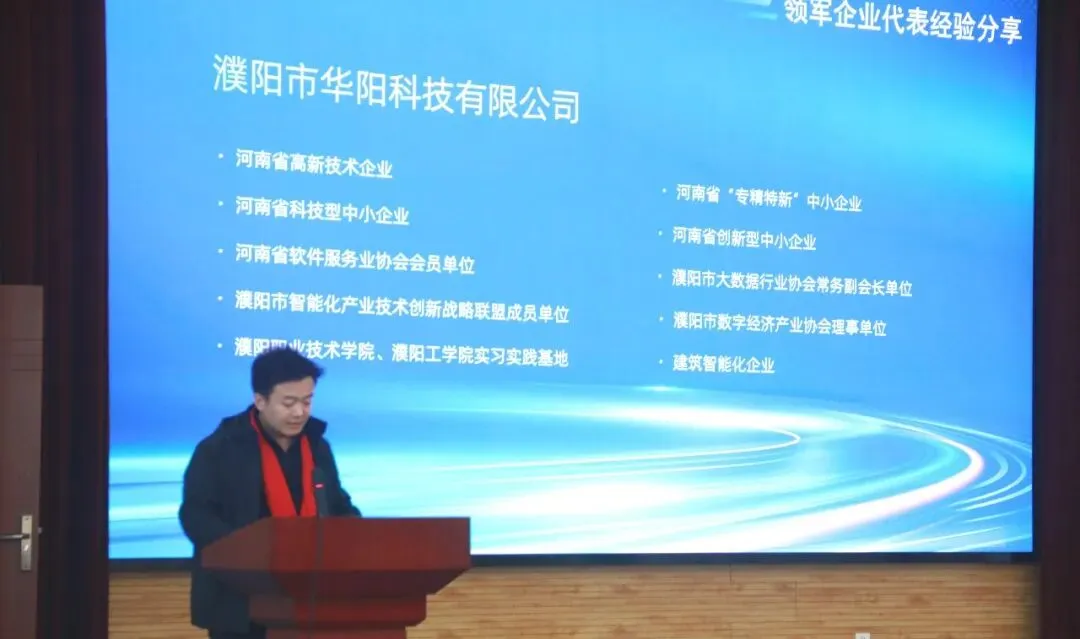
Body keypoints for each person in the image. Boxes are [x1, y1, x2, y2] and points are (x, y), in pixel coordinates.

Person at [178, 346, 361, 639]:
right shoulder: (219, 449)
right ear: (260, 400)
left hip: (309, 594)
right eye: (289, 403)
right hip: (239, 600)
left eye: (307, 401)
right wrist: (248, 552)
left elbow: (337, 503)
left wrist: (355, 532)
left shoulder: (317, 447)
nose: (299, 412)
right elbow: (195, 515)